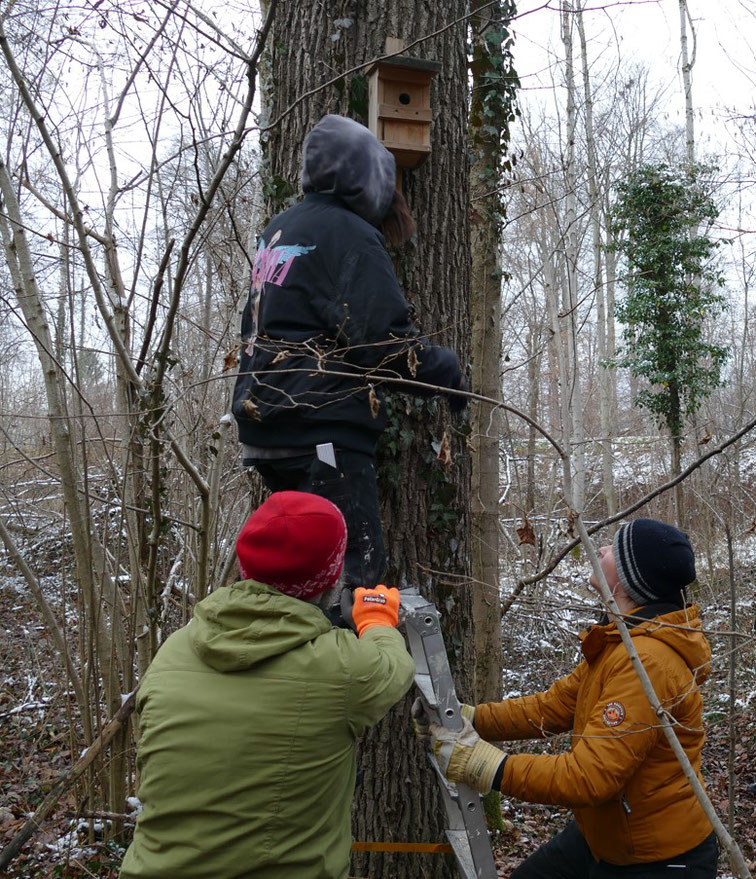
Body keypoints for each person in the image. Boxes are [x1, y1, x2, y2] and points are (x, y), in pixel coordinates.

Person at [120, 491, 415, 879]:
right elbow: (395, 668)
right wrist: (377, 620)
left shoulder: (176, 648)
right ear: (331, 578)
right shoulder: (344, 667)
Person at [232, 114, 466, 599]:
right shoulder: (350, 233)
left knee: (298, 576)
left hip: (267, 429)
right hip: (321, 432)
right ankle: (348, 672)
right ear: (367, 178)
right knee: (352, 580)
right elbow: (381, 344)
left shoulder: (278, 229)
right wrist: (446, 372)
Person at [415, 517, 718, 878]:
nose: (600, 550)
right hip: (604, 838)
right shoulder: (619, 642)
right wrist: (469, 718)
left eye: (612, 550)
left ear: (624, 581)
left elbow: (588, 777)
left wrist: (486, 766)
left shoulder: (647, 663)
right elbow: (551, 707)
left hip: (657, 860)